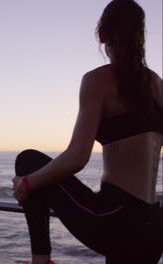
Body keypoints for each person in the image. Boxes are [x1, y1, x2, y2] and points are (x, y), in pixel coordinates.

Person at [12, 1, 163, 263]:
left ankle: (40, 260)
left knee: (28, 161)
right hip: (154, 227)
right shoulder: (158, 85)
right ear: (141, 37)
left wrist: (26, 183)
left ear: (102, 35)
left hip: (116, 219)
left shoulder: (97, 81)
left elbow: (76, 157)